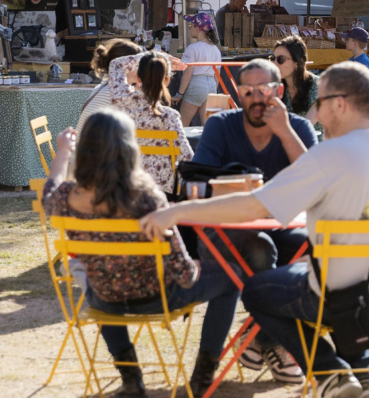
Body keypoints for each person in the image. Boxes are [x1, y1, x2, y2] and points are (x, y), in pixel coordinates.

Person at [138, 63, 369, 398]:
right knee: (320, 268)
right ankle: (364, 378)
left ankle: (330, 373)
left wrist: (176, 211)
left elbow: (252, 206)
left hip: (340, 296)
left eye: (322, 101)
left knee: (258, 291)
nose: (317, 111)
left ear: (340, 105)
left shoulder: (330, 155)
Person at [43, 111, 239, 397]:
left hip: (104, 300)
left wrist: (62, 153)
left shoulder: (66, 198)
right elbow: (184, 275)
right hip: (156, 297)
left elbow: (49, 194)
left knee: (96, 279)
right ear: (129, 148)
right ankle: (205, 371)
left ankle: (131, 377)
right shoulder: (148, 198)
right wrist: (201, 265)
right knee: (232, 276)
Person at [191, 58, 315, 384]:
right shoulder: (221, 126)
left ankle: (253, 332)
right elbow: (201, 182)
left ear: (279, 90)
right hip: (226, 230)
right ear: (239, 93)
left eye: (264, 89)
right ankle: (272, 340)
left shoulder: (298, 129)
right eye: (248, 91)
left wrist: (285, 133)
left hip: (283, 228)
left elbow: (315, 184)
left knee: (318, 248)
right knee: (259, 251)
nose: (257, 98)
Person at [108, 51, 193, 193]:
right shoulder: (169, 117)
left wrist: (154, 56)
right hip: (162, 192)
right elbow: (187, 157)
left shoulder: (120, 102)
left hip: (125, 189)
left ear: (138, 78)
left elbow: (116, 64)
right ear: (167, 81)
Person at [78, 38, 143, 132]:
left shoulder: (103, 86)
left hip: (83, 145)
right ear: (125, 66)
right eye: (138, 64)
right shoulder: (119, 93)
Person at [175, 12, 222, 128]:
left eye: (191, 26)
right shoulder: (216, 49)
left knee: (182, 125)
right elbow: (217, 76)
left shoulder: (192, 48)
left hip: (196, 85)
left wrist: (179, 94)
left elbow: (187, 73)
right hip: (211, 86)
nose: (190, 29)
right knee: (207, 127)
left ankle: (180, 146)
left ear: (198, 28)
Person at [274, 36, 319, 119]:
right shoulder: (277, 89)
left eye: (280, 59)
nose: (275, 63)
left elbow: (306, 126)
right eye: (273, 59)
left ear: (298, 63)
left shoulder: (320, 86)